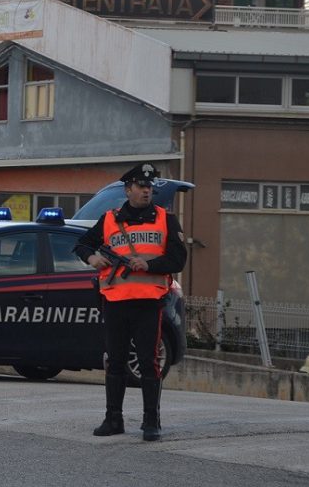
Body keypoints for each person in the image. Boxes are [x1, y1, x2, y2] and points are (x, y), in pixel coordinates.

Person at [74, 163, 186, 442]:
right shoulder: (110, 219)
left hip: (149, 303)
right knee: (115, 362)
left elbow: (178, 259)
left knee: (149, 363)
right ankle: (114, 419)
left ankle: (151, 422)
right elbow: (82, 244)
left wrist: (148, 265)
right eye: (141, 186)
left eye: (150, 187)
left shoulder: (166, 219)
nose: (147, 191)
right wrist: (92, 259)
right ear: (128, 190)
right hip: (115, 301)